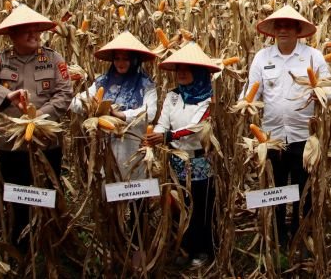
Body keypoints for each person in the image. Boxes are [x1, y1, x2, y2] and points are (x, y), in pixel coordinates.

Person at [0, 4, 73, 246]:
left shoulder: (52, 58)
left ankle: (48, 239)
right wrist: (6, 97)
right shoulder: (1, 60)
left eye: (36, 30)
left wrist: (38, 116)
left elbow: (65, 93)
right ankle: (20, 237)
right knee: (17, 190)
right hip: (11, 142)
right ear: (13, 35)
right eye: (27, 31)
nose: (34, 35)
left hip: (47, 139)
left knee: (48, 188)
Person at [245, 5, 330, 246]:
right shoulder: (262, 58)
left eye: (288, 26)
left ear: (297, 30)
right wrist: (245, 102)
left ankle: (302, 231)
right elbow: (252, 89)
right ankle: (278, 232)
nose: (282, 30)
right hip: (272, 137)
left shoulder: (313, 56)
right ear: (273, 31)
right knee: (277, 186)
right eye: (279, 26)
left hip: (304, 136)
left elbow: (330, 89)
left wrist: (321, 93)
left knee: (305, 189)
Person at [142, 42, 221, 267]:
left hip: (200, 160)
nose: (182, 73)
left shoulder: (209, 99)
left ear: (199, 72)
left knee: (201, 205)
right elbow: (162, 123)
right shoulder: (172, 96)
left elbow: (198, 127)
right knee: (180, 204)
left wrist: (167, 137)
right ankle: (185, 246)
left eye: (188, 69)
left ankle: (205, 249)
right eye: (179, 69)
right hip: (176, 159)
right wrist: (152, 138)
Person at [71, 31, 157, 180]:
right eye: (117, 58)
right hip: (105, 143)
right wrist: (89, 105)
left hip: (132, 144)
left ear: (134, 60)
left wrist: (122, 115)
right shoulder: (102, 81)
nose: (120, 63)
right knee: (108, 182)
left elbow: (151, 112)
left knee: (132, 184)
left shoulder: (146, 84)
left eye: (125, 59)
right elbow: (77, 103)